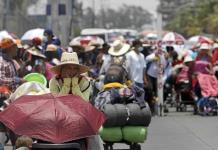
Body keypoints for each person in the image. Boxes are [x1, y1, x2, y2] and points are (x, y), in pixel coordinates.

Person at [49, 52, 103, 150]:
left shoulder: (85, 82)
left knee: (95, 133)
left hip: (80, 115)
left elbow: (83, 103)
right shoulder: (54, 81)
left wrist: (74, 84)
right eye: (68, 68)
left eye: (75, 68)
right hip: (59, 115)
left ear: (78, 71)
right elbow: (56, 102)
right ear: (62, 69)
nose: (72, 71)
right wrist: (66, 84)